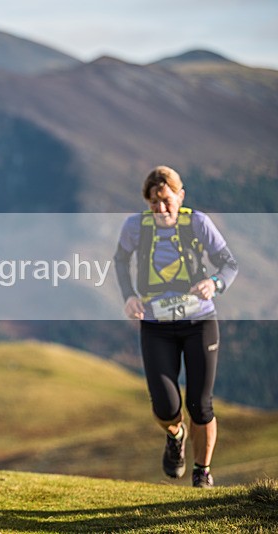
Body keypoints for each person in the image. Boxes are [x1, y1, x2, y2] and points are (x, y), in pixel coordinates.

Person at [113, 166, 238, 489]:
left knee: (200, 404)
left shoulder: (198, 223)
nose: (161, 208)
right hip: (156, 326)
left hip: (199, 323)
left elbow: (228, 264)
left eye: (166, 200)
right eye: (154, 203)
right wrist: (129, 297)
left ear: (180, 196)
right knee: (166, 407)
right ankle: (175, 435)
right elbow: (120, 261)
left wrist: (214, 283)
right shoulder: (135, 227)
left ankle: (202, 472)